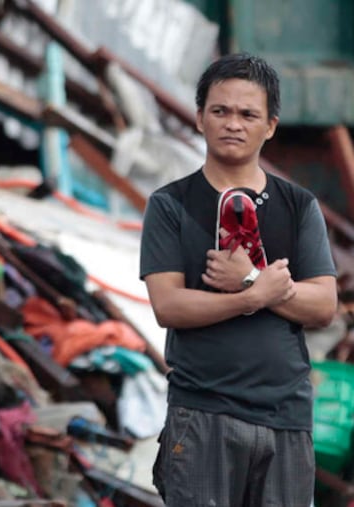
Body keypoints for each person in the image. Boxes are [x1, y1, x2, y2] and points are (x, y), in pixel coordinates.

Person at [139, 53, 338, 506]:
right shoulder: (171, 205)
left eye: (248, 114)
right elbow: (168, 307)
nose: (233, 123)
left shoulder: (298, 206)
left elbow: (323, 306)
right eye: (220, 111)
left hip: (285, 417)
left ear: (270, 125)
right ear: (199, 118)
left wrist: (249, 280)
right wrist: (256, 295)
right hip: (202, 413)